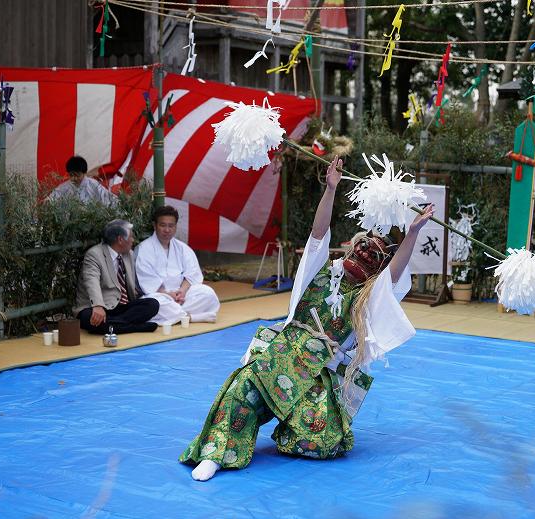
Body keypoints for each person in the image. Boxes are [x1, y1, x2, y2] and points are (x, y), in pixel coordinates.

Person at [179, 155, 434, 481]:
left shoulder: (370, 297)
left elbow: (394, 276)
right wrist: (330, 190)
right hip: (282, 356)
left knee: (319, 438)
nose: (366, 255)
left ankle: (288, 426)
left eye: (374, 257)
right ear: (350, 249)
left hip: (319, 374)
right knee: (241, 393)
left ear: (375, 269)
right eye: (362, 248)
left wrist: (412, 233)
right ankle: (218, 453)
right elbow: (318, 233)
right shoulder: (323, 270)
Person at [135, 206, 220, 324]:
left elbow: (192, 273)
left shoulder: (182, 248)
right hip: (160, 296)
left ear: (175, 227)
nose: (167, 230)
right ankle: (193, 317)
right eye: (163, 225)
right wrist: (168, 294)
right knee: (154, 304)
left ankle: (175, 316)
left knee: (207, 293)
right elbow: (148, 280)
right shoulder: (144, 249)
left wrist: (182, 291)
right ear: (155, 226)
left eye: (171, 226)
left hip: (182, 295)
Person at [73, 219, 160, 334]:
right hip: (97, 307)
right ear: (120, 239)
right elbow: (91, 282)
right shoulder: (94, 254)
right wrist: (98, 306)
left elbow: (133, 287)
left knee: (152, 304)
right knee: (89, 318)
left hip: (120, 307)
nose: (133, 240)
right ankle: (135, 327)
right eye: (131, 237)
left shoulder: (128, 254)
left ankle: (114, 326)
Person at [47, 155, 118, 207]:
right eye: (71, 175)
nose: (74, 178)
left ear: (84, 173)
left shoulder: (93, 185)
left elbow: (111, 199)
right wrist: (47, 202)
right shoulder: (64, 187)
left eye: (77, 175)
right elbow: (50, 200)